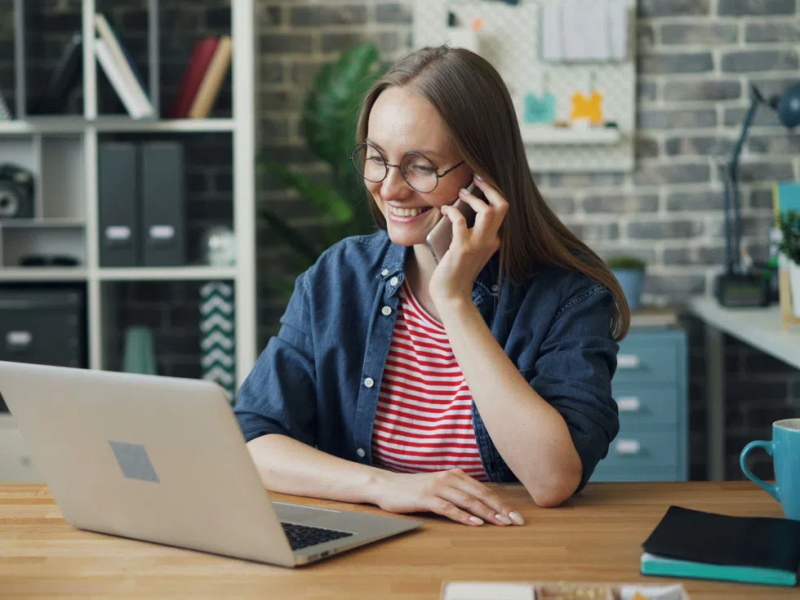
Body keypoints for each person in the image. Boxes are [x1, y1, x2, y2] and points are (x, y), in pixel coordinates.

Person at [234, 45, 629, 528]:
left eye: (421, 166)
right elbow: (252, 439)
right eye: (377, 158)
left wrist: (455, 300)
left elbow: (552, 480)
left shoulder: (568, 294)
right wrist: (384, 486)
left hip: (511, 546)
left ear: (483, 174)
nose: (390, 188)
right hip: (373, 544)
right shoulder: (338, 276)